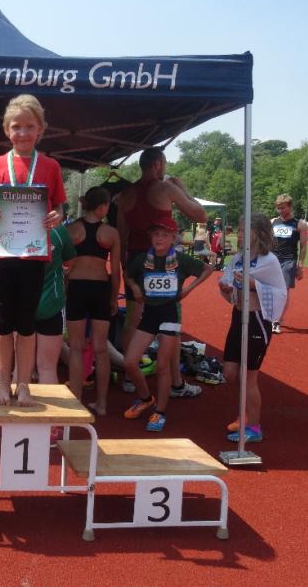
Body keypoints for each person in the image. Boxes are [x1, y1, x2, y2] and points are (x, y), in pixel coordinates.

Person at [0, 94, 66, 407]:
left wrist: (56, 217)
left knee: (26, 324)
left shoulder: (50, 166)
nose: (22, 133)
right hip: (3, 255)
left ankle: (23, 384)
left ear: (41, 129)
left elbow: (59, 209)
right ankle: (3, 383)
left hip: (34, 256)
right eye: (16, 127)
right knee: (3, 323)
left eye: (29, 126)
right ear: (6, 130)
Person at [116, 148, 206, 393]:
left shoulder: (125, 195)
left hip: (136, 262)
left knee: (133, 320)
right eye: (164, 163)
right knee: (169, 323)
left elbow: (122, 237)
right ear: (157, 164)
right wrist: (182, 189)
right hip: (163, 263)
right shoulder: (165, 188)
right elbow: (201, 216)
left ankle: (130, 378)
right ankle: (176, 383)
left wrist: (126, 270)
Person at [122, 219, 213, 432]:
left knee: (163, 365)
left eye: (164, 235)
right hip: (149, 315)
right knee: (129, 361)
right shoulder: (142, 259)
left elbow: (207, 269)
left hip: (169, 314)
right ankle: (146, 398)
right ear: (150, 237)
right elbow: (128, 274)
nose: (159, 239)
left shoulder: (180, 259)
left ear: (173, 238)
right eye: (156, 234)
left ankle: (160, 412)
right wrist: (135, 287)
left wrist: (188, 289)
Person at [219, 213, 287, 443]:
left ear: (258, 233)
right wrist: (226, 288)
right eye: (239, 230)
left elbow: (279, 292)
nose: (238, 235)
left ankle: (254, 426)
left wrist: (251, 283)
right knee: (230, 372)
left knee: (249, 376)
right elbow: (229, 282)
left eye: (243, 230)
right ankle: (244, 412)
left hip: (257, 320)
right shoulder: (239, 257)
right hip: (238, 317)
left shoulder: (269, 261)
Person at [65, 186, 120, 416]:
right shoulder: (111, 233)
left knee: (76, 348)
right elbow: (115, 271)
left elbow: (64, 265)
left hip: (77, 287)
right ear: (103, 206)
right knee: (100, 348)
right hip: (100, 289)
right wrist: (114, 298)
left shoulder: (71, 230)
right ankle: (102, 404)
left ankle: (76, 400)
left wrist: (66, 289)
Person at [35, 223, 76, 384]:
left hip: (21, 305)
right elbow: (70, 261)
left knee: (20, 367)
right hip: (50, 303)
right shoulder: (58, 230)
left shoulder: (12, 225)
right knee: (47, 368)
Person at [270, 193, 308, 334]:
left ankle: (276, 321)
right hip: (272, 260)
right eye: (278, 208)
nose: (280, 211)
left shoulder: (300, 224)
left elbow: (303, 246)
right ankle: (273, 315)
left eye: (283, 208)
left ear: (290, 207)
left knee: (283, 291)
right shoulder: (272, 222)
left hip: (288, 260)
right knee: (270, 290)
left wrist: (300, 266)